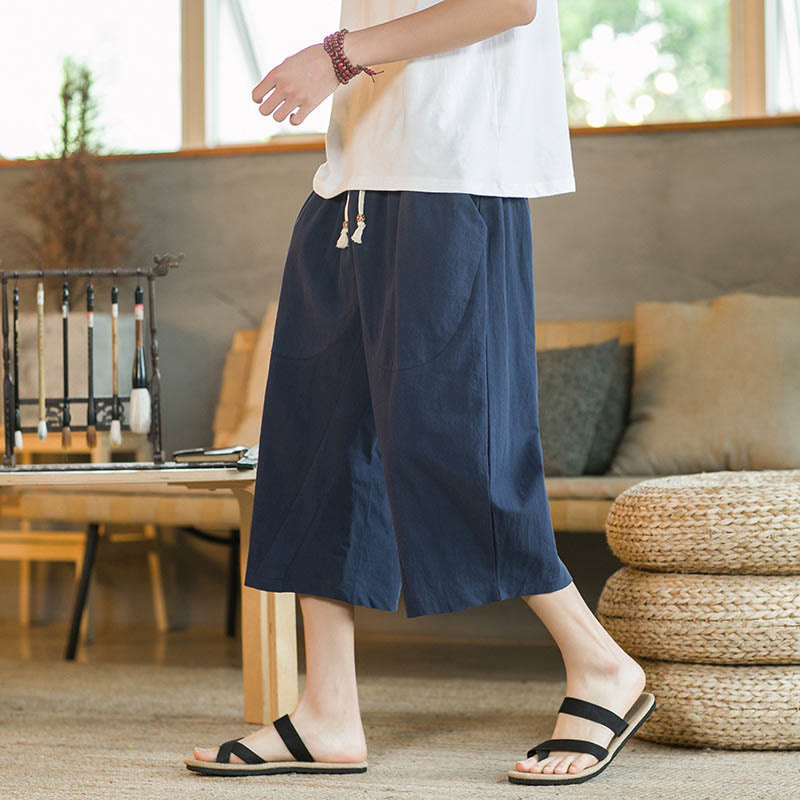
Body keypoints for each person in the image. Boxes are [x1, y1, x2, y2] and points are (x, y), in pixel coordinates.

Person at [185, 0, 655, 786]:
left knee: (453, 437)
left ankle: (600, 663)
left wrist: (337, 55)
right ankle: (327, 710)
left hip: (453, 174)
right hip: (352, 177)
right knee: (315, 441)